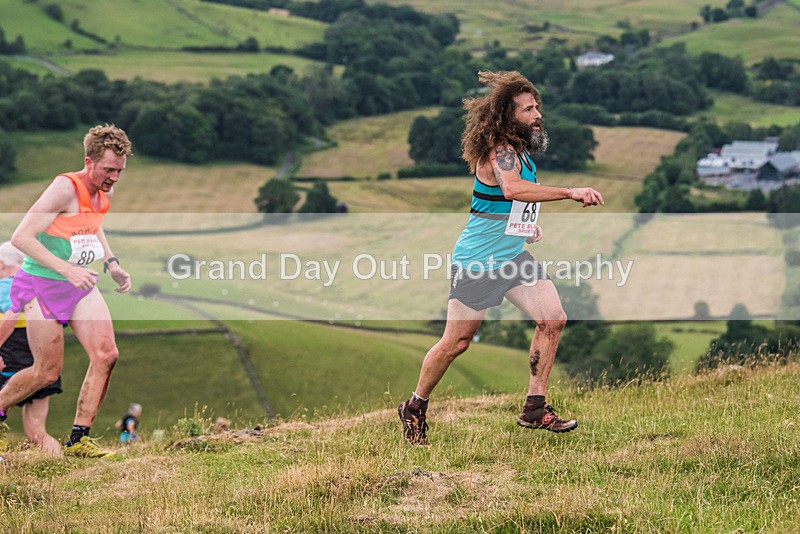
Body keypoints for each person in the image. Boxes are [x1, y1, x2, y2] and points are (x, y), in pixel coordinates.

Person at [398, 71, 604, 445]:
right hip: (477, 262)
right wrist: (569, 192)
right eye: (528, 109)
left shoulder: (521, 153)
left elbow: (512, 202)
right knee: (456, 343)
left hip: (512, 257)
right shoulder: (501, 151)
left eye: (537, 106)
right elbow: (511, 189)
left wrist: (525, 229)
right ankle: (415, 405)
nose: (537, 113)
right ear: (509, 117)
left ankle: (534, 408)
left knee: (552, 318)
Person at [0, 124, 133, 458]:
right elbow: (21, 238)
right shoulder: (64, 188)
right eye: (108, 169)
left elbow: (93, 227)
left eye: (119, 171)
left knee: (107, 354)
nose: (114, 177)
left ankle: (79, 440)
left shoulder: (105, 192)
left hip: (79, 284)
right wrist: (66, 270)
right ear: (89, 162)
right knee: (46, 372)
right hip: (42, 285)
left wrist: (112, 263)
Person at [0, 241, 64, 457]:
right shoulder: (42, 289)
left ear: (2, 265)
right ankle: (58, 465)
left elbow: (11, 316)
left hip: (8, 365)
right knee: (37, 432)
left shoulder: (4, 287)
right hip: (42, 364)